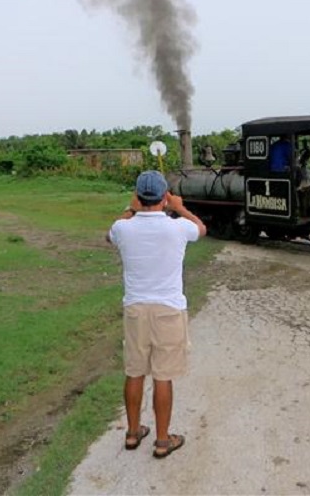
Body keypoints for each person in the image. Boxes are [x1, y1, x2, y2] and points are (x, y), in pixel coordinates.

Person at [107, 170, 207, 459]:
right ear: (164, 197)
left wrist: (130, 209)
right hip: (169, 310)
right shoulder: (178, 227)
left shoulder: (123, 227)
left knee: (134, 372)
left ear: (137, 197)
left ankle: (132, 433)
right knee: (163, 376)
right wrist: (179, 207)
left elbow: (109, 235)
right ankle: (163, 440)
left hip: (135, 310)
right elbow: (201, 229)